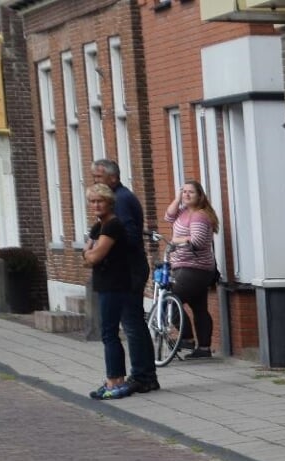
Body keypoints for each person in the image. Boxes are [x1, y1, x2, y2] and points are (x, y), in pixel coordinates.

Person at [90, 159, 158, 394]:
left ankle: (142, 376)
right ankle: (145, 374)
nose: (95, 181)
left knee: (130, 324)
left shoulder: (121, 201)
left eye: (99, 177)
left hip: (128, 271)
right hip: (127, 270)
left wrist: (104, 246)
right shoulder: (119, 201)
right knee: (133, 322)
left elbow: (128, 236)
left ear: (113, 178)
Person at [83, 184, 138, 401]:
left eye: (100, 201)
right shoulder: (98, 227)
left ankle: (116, 380)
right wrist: (89, 253)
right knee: (108, 333)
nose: (96, 205)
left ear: (109, 203)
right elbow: (86, 255)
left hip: (115, 284)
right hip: (104, 284)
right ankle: (112, 379)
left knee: (109, 333)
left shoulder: (113, 226)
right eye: (93, 201)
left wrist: (90, 253)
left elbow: (94, 257)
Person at [163, 179, 220, 359]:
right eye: (184, 191)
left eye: (191, 192)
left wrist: (176, 240)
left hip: (195, 268)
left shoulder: (199, 216)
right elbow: (168, 216)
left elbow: (197, 242)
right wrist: (178, 198)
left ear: (200, 196)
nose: (186, 195)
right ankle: (203, 348)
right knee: (199, 307)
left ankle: (186, 337)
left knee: (168, 300)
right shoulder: (184, 212)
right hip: (185, 267)